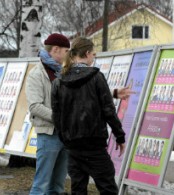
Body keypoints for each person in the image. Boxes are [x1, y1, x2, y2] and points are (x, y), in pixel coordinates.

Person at [51, 37, 126, 195]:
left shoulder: (58, 82)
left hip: (72, 146)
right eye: (93, 54)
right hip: (94, 144)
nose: (94, 57)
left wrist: (65, 139)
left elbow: (56, 116)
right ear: (86, 53)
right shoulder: (96, 78)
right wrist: (120, 137)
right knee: (108, 188)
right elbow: (109, 111)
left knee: (78, 189)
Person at [26, 33, 70, 195]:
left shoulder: (64, 73)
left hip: (65, 135)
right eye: (67, 51)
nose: (68, 55)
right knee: (41, 185)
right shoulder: (36, 74)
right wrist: (60, 117)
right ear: (56, 50)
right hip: (48, 135)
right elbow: (35, 106)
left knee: (58, 186)